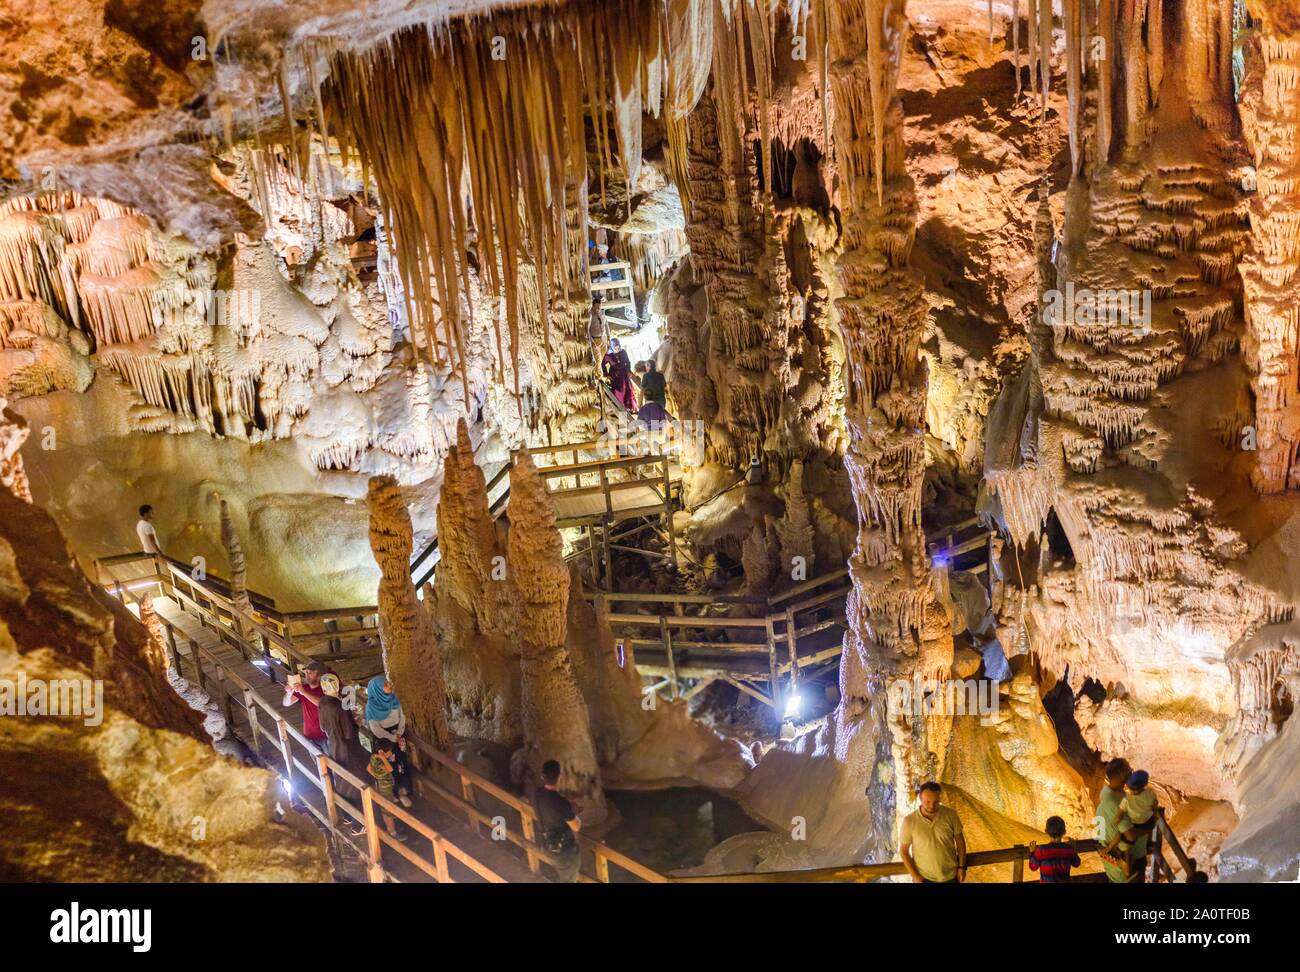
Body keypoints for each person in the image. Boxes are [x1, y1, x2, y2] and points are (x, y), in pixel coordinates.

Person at [900, 781, 967, 883]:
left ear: (940, 798)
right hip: (924, 879)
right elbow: (904, 851)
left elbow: (960, 843)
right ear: (920, 798)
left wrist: (962, 867)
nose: (931, 806)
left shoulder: (951, 815)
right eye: (927, 802)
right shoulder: (909, 821)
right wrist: (915, 877)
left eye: (936, 802)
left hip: (951, 876)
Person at [1096, 758, 1149, 883]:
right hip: (1128, 864)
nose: (1131, 772)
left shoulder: (1108, 793)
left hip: (1121, 860)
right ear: (1120, 774)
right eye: (1128, 770)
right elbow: (1129, 835)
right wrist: (1146, 827)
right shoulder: (1115, 803)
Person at [365, 675, 413, 808]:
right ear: (377, 689)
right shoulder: (371, 706)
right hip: (384, 740)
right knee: (387, 766)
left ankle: (403, 791)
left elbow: (401, 716)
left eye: (387, 683)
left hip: (398, 734)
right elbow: (375, 729)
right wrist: (392, 738)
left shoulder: (394, 699)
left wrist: (399, 732)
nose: (389, 685)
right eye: (385, 684)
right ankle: (391, 793)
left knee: (401, 763)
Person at [1101, 769, 1158, 876]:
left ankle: (1119, 859)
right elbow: (1154, 805)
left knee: (1121, 833)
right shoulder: (1150, 793)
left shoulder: (1126, 800)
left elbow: (1118, 816)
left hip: (1135, 826)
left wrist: (1114, 823)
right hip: (1148, 823)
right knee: (1148, 825)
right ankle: (1150, 843)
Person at [534, 759, 581, 883]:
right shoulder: (561, 802)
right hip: (564, 850)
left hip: (548, 844)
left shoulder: (537, 794)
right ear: (560, 777)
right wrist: (577, 815)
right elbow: (576, 826)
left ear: (542, 776)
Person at [283, 660, 330, 752]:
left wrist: (303, 692)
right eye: (306, 673)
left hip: (326, 735)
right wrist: (289, 693)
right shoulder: (304, 688)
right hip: (310, 736)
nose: (307, 676)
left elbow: (323, 704)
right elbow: (286, 703)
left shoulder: (326, 688)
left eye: (310, 673)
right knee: (319, 765)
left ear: (319, 675)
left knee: (334, 764)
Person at [366, 737, 407, 842]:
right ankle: (392, 833)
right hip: (385, 790)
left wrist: (377, 776)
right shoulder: (380, 760)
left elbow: (368, 768)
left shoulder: (373, 757)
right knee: (387, 812)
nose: (391, 753)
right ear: (382, 752)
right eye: (389, 751)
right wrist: (383, 758)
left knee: (388, 809)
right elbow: (390, 769)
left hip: (384, 787)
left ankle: (392, 828)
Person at [1028, 816, 1082, 883]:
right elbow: (1077, 863)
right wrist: (1073, 849)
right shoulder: (1068, 849)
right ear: (1064, 832)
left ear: (1046, 831)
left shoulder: (1041, 850)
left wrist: (1032, 852)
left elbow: (1033, 867)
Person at [602, 338, 637, 412]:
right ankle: (621, 408)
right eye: (615, 347)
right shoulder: (609, 355)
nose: (617, 349)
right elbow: (603, 364)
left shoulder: (623, 352)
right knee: (619, 391)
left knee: (627, 389)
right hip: (615, 376)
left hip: (624, 374)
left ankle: (630, 407)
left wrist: (628, 370)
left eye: (618, 347)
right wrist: (606, 374)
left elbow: (628, 362)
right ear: (612, 346)